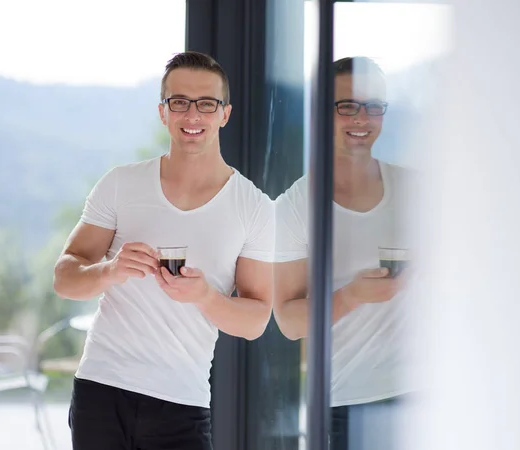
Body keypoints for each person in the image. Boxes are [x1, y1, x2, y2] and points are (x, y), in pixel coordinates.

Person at [53, 51, 274, 450]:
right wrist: (109, 272)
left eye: (206, 104)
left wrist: (205, 296)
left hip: (181, 403)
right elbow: (65, 276)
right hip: (101, 391)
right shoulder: (120, 184)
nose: (193, 115)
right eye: (179, 102)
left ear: (225, 114)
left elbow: (256, 319)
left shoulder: (254, 208)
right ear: (163, 111)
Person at [273, 56, 417, 449]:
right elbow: (288, 320)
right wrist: (351, 295)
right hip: (346, 403)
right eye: (347, 106)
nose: (362, 118)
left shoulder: (417, 190)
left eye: (373, 106)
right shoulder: (295, 206)